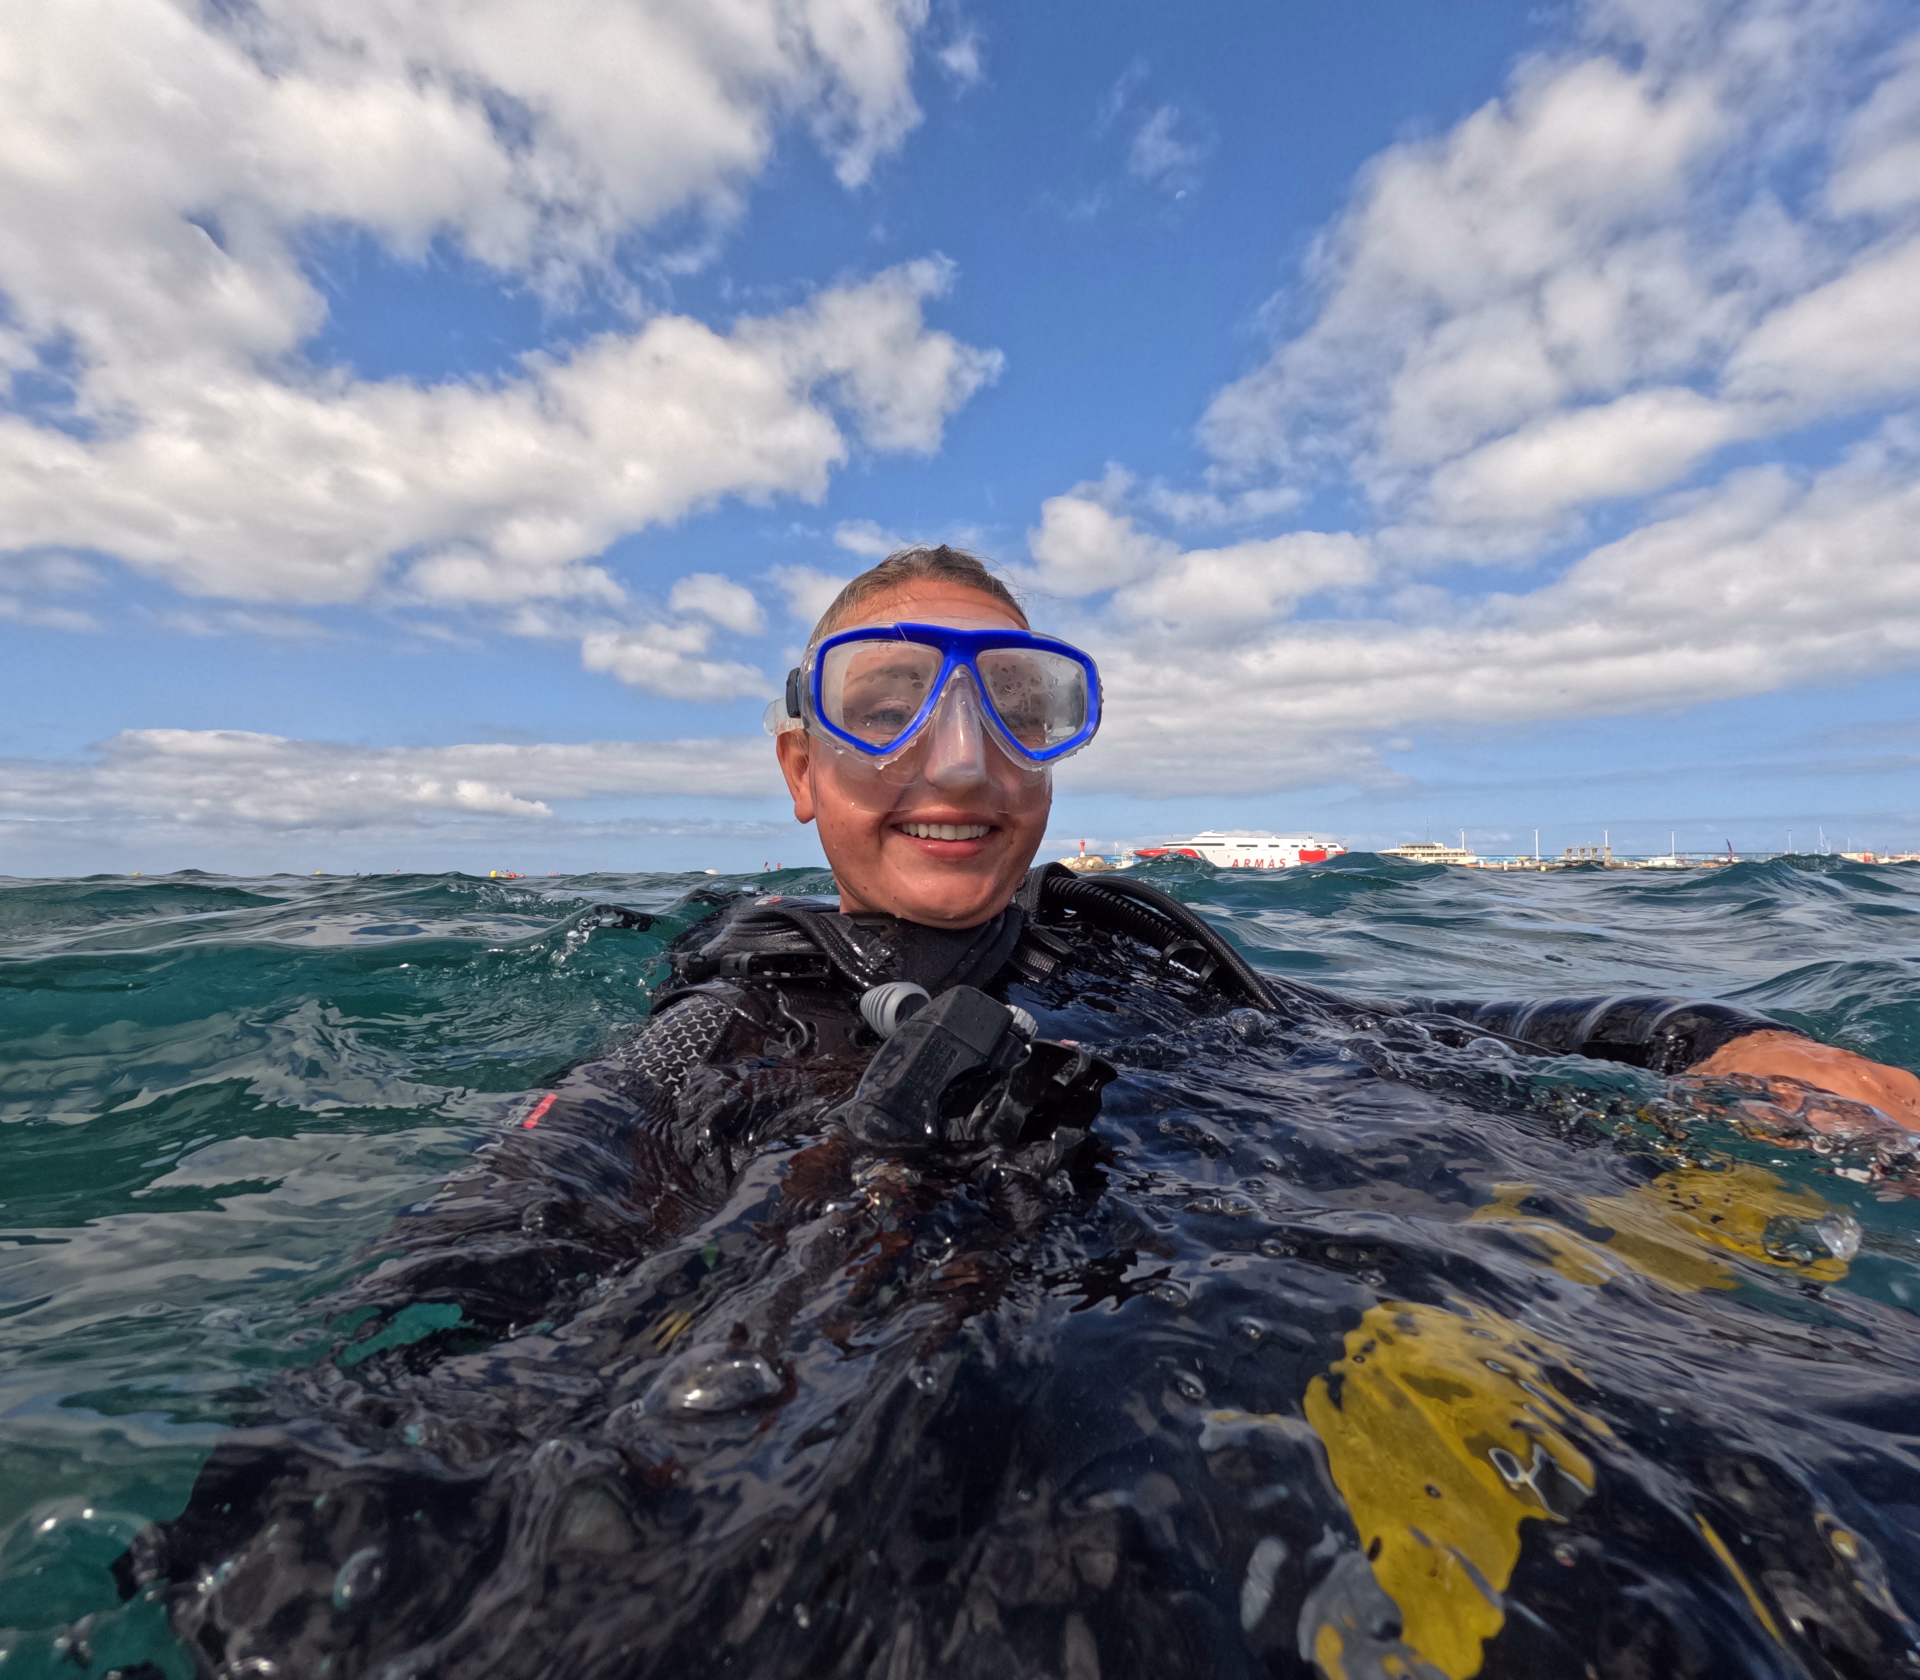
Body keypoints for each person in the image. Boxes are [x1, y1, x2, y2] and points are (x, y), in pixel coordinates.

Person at [129, 547, 1920, 1680]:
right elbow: (487, 1275)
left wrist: (1703, 1038)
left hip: (1323, 1286)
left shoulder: (1147, 953)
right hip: (933, 1417)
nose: (966, 764)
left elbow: (1415, 1032)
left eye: (1020, 708)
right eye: (890, 706)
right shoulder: (739, 1018)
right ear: (802, 770)